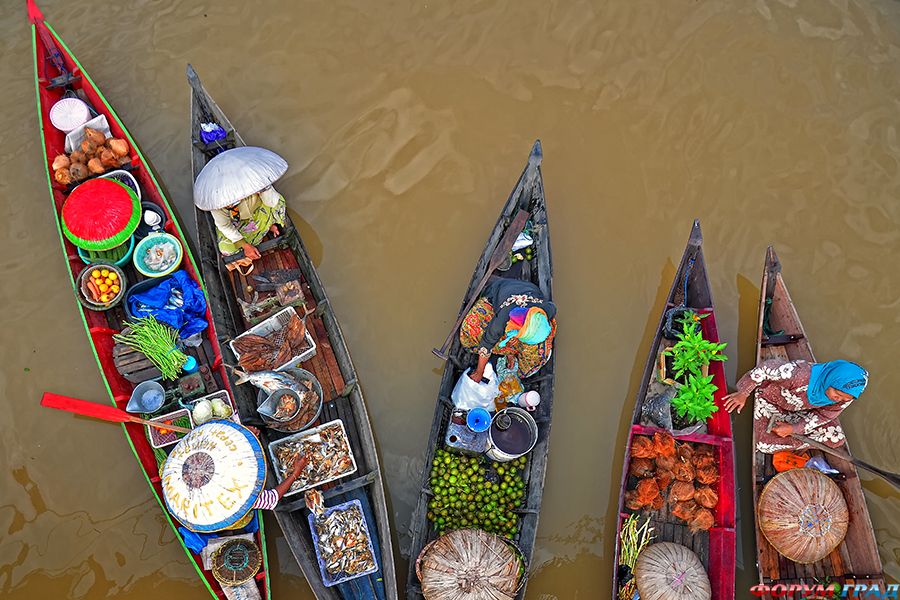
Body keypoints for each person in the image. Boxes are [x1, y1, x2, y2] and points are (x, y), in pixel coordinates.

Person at [723, 359, 868, 453]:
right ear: (831, 378)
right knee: (763, 444)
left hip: (800, 410)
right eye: (837, 392)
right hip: (767, 399)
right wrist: (743, 393)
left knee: (836, 439)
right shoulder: (798, 374)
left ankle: (785, 436)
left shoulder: (845, 399)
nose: (838, 399)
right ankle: (782, 439)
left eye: (844, 398)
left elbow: (823, 415)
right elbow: (764, 369)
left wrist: (793, 428)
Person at [460, 277, 557, 380]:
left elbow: (553, 307)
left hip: (529, 289)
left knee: (538, 353)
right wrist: (479, 373)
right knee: (469, 329)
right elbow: (486, 345)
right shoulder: (501, 321)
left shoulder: (544, 311)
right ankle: (510, 350)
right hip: (495, 296)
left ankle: (512, 351)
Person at [210, 186, 286, 259]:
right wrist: (245, 245)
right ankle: (265, 226)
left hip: (259, 211)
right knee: (226, 248)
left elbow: (272, 202)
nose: (229, 205)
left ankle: (269, 223)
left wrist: (261, 190)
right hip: (238, 222)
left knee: (277, 202)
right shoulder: (214, 203)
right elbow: (225, 226)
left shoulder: (248, 181)